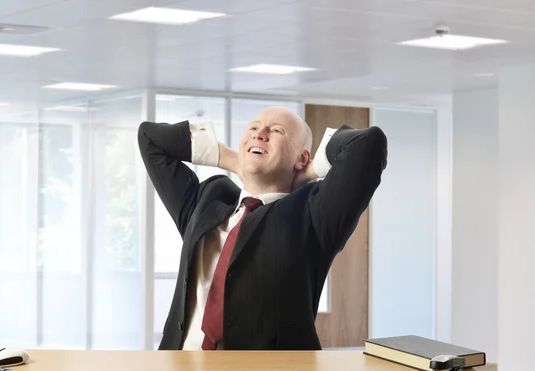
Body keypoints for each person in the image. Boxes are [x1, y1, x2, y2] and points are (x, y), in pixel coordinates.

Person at [138, 106, 387, 350]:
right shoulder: (208, 201)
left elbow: (368, 145)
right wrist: (234, 161)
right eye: (253, 128)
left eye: (277, 131)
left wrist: (308, 171)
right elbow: (150, 139)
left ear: (302, 157)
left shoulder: (315, 215)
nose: (259, 134)